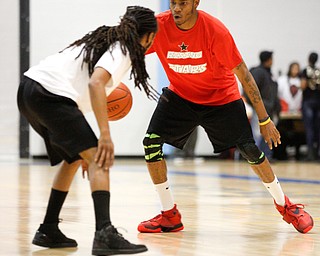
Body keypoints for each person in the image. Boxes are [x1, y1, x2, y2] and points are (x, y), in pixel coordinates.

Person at [137, 0, 313, 235]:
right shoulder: (159, 27)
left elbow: (245, 77)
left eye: (183, 3)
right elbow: (128, 49)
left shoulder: (216, 31)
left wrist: (264, 120)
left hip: (221, 98)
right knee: (151, 142)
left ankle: (286, 205)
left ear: (195, 3)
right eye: (173, 3)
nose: (176, 8)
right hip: (180, 95)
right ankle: (169, 215)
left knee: (250, 150)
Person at [17, 6, 157, 255]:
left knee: (73, 159)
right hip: (49, 95)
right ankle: (104, 233)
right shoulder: (124, 47)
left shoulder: (104, 41)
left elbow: (77, 86)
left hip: (30, 90)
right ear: (146, 36)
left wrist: (82, 149)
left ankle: (48, 228)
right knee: (100, 160)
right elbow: (95, 83)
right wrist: (105, 135)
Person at [244, 51, 281, 161]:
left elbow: (273, 93)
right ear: (268, 60)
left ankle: (266, 156)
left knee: (268, 134)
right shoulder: (258, 72)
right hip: (260, 110)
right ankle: (255, 158)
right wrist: (261, 106)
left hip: (269, 109)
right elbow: (249, 91)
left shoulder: (268, 73)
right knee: (258, 134)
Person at [273, 62, 304, 160]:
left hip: (297, 114)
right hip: (284, 113)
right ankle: (280, 154)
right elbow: (278, 95)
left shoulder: (301, 81)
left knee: (298, 133)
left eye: (297, 68)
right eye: (294, 68)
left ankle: (298, 153)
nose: (295, 70)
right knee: (282, 132)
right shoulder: (283, 80)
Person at [300, 52, 320, 161]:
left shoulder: (305, 70)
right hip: (318, 101)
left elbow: (303, 86)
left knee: (309, 129)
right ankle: (317, 153)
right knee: (318, 128)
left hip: (308, 101)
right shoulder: (318, 71)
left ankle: (310, 155)